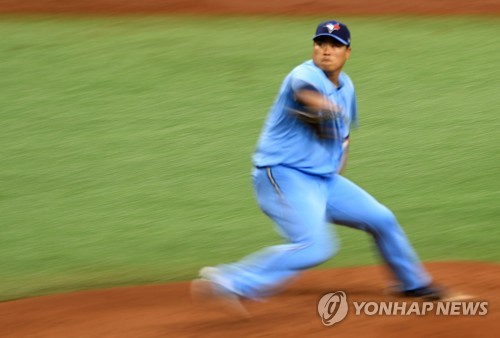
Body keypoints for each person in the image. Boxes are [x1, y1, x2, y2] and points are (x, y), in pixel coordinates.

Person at [191, 19, 441, 316]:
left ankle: (411, 283)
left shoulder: (347, 87)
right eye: (321, 43)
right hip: (283, 174)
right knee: (315, 246)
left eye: (335, 45)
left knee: (382, 218)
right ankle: (231, 280)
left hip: (323, 181)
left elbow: (344, 139)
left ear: (347, 52)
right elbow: (303, 94)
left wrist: (335, 172)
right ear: (313, 47)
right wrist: (323, 107)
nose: (326, 50)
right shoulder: (304, 74)